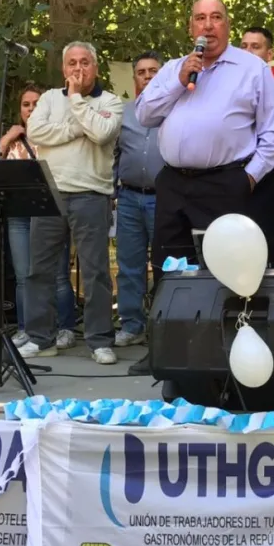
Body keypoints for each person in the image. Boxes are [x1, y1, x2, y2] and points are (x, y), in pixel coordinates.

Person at [136, 0, 274, 276]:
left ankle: (226, 321)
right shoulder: (173, 69)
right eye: (200, 18)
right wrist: (178, 82)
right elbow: (144, 115)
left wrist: (249, 177)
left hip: (225, 184)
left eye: (216, 17)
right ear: (190, 27)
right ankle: (174, 320)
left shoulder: (253, 69)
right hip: (173, 184)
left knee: (226, 272)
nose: (208, 26)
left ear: (227, 25)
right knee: (168, 271)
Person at [21, 41, 124, 364]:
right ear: (63, 69)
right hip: (49, 192)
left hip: (91, 194)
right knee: (39, 270)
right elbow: (35, 132)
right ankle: (42, 339)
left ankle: (98, 342)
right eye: (71, 63)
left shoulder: (111, 102)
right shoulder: (50, 98)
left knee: (94, 272)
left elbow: (103, 133)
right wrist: (78, 126)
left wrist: (77, 100)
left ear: (95, 67)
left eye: (84, 63)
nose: (78, 69)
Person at [0, 84, 79, 350]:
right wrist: (7, 139)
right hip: (18, 215)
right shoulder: (13, 140)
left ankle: (64, 327)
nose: (30, 109)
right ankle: (26, 328)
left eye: (36, 103)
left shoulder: (54, 136)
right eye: (25, 104)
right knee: (23, 275)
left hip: (49, 212)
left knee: (57, 275)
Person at [114, 51, 164, 348]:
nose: (147, 76)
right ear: (135, 78)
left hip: (164, 200)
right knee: (129, 264)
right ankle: (132, 325)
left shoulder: (176, 109)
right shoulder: (124, 112)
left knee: (164, 265)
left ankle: (162, 326)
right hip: (130, 197)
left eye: (153, 71)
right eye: (142, 72)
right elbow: (114, 155)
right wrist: (111, 193)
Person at [240, 26, 274, 266]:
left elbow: (271, 136)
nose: (248, 51)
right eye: (243, 46)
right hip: (226, 181)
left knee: (269, 249)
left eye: (255, 46)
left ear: (270, 54)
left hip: (262, 179)